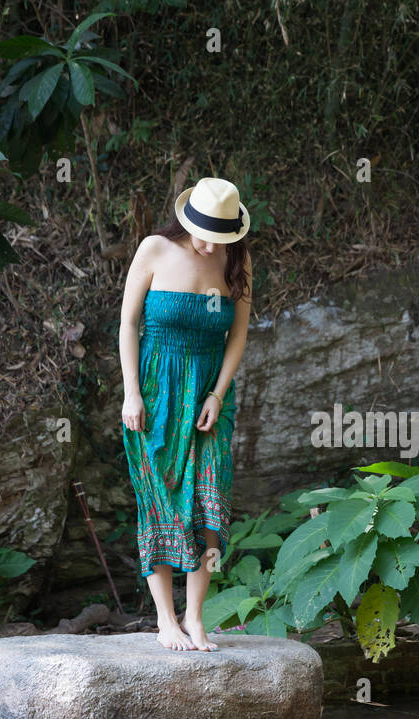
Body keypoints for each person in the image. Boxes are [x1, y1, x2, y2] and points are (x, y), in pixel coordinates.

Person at [119, 177, 252, 651]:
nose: (206, 244)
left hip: (208, 398)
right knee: (159, 501)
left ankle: (195, 617)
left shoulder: (236, 261)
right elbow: (129, 323)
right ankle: (164, 619)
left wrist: (217, 394)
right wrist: (131, 393)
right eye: (201, 232)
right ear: (187, 218)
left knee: (209, 505)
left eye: (217, 237)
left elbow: (236, 336)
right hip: (155, 393)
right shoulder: (154, 250)